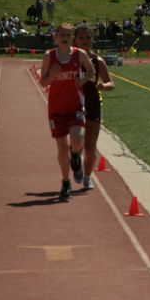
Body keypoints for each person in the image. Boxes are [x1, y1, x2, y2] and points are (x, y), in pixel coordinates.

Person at [38, 23, 96, 200]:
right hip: (56, 109)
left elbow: (92, 71)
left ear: (72, 37)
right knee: (61, 147)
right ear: (56, 37)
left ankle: (76, 154)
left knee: (77, 138)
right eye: (62, 34)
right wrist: (53, 74)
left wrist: (83, 79)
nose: (65, 37)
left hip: (75, 106)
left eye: (68, 34)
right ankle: (65, 182)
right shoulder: (50, 56)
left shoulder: (79, 54)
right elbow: (43, 83)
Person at [74, 23, 115, 190]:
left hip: (93, 104)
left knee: (90, 147)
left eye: (88, 37)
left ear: (92, 39)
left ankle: (87, 177)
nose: (85, 40)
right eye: (81, 37)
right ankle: (75, 158)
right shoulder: (70, 59)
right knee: (77, 141)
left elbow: (111, 83)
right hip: (73, 104)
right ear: (75, 39)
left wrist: (103, 87)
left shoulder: (98, 61)